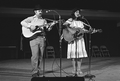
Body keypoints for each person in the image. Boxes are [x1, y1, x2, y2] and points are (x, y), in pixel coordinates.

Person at [20, 5, 57, 77]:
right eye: (39, 11)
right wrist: (30, 26)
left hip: (42, 38)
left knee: (41, 56)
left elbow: (48, 29)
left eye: (41, 11)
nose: (41, 12)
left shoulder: (44, 20)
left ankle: (38, 70)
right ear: (35, 11)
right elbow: (22, 22)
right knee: (35, 56)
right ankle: (34, 72)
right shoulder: (31, 18)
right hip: (34, 38)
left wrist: (52, 25)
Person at [62, 9, 91, 76]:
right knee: (73, 56)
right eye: (76, 12)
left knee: (79, 56)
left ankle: (79, 69)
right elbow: (64, 25)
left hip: (80, 39)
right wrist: (72, 30)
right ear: (73, 13)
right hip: (72, 39)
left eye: (78, 12)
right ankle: (74, 69)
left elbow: (83, 30)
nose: (78, 13)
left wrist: (90, 31)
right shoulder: (70, 20)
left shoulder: (81, 22)